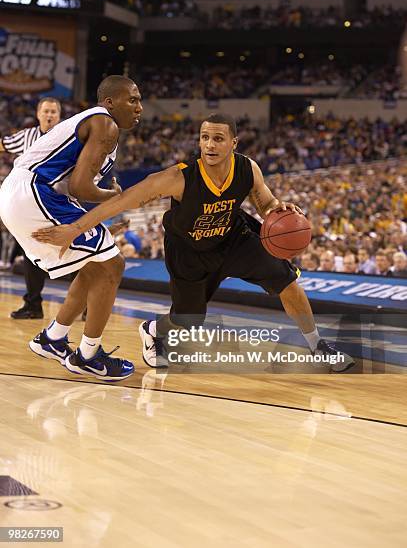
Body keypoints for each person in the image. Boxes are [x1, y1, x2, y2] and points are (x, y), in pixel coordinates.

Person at [33, 113, 355, 373]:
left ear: (233, 142)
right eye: (204, 138)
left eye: (218, 138)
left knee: (287, 282)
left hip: (234, 239)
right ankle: (153, 331)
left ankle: (317, 345)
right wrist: (76, 228)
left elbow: (265, 202)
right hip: (188, 252)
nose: (210, 145)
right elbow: (123, 202)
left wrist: (277, 209)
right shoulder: (179, 176)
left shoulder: (247, 168)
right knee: (187, 323)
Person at [0, 75, 143, 381]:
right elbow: (80, 187)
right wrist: (118, 197)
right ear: (109, 102)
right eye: (132, 99)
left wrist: (105, 213)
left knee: (95, 266)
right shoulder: (106, 125)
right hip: (35, 192)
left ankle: (53, 337)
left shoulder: (99, 127)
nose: (139, 107)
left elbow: (77, 189)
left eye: (139, 101)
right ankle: (88, 356)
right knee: (113, 265)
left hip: (30, 195)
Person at [0, 98, 61, 318]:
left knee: (73, 250)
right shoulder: (27, 136)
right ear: (38, 114)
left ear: (59, 115)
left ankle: (83, 304)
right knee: (30, 252)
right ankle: (33, 304)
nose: (49, 115)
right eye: (46, 111)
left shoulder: (67, 136)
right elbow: (3, 145)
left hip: (57, 201)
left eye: (54, 112)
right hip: (30, 203)